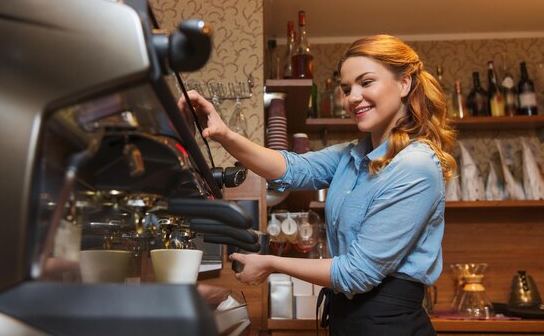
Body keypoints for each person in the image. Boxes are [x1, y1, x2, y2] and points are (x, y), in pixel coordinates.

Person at [179, 34, 456, 335]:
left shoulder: (414, 165)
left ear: (404, 83)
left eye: (366, 82)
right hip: (350, 319)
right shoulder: (353, 154)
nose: (353, 97)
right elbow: (292, 169)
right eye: (347, 88)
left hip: (390, 324)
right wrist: (222, 133)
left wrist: (271, 263)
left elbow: (356, 273)